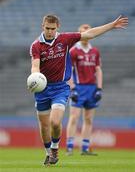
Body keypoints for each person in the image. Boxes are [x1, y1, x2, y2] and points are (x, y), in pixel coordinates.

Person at [29, 14, 128, 165]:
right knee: (44, 126)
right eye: (47, 28)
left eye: (53, 29)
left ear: (58, 27)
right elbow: (35, 65)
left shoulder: (65, 39)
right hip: (42, 89)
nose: (50, 31)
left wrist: (111, 25)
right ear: (43, 26)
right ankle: (48, 153)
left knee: (55, 122)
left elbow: (90, 34)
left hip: (60, 88)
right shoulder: (36, 45)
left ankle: (55, 149)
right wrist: (34, 76)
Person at [66, 24, 102, 155]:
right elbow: (69, 71)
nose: (86, 33)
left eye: (88, 30)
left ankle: (85, 148)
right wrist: (72, 88)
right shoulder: (73, 51)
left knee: (88, 119)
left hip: (92, 88)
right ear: (79, 33)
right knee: (74, 117)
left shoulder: (95, 51)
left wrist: (99, 88)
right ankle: (69, 147)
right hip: (78, 87)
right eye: (83, 31)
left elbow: (98, 70)